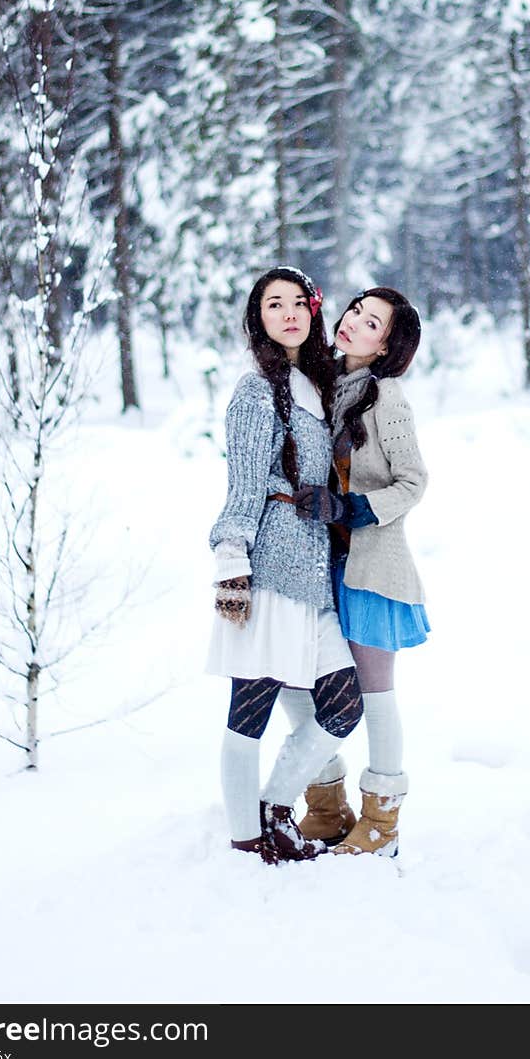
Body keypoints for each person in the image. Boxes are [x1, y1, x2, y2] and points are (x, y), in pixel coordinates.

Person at [207, 266, 364, 864]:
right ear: (259, 319)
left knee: (343, 702)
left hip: (314, 580)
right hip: (268, 569)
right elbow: (243, 484)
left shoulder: (315, 386)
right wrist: (232, 565)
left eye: (299, 302)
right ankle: (247, 839)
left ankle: (275, 804)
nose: (290, 313)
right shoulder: (255, 392)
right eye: (276, 305)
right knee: (249, 708)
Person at [280, 287, 429, 858]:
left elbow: (413, 481)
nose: (352, 323)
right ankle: (327, 804)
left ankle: (382, 824)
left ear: (387, 344)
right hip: (325, 564)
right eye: (354, 312)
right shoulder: (327, 383)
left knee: (373, 694)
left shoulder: (386, 397)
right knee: (309, 685)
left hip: (371, 567)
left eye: (371, 323)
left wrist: (355, 509)